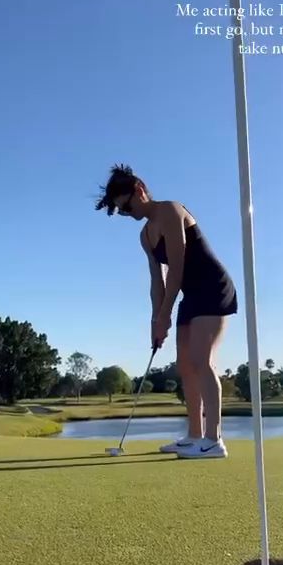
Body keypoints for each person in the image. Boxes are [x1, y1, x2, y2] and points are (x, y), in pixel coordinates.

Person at [96, 163, 237, 459]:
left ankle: (214, 441)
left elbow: (177, 267)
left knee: (202, 360)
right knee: (185, 366)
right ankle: (194, 436)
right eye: (122, 211)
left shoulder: (171, 210)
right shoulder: (145, 236)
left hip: (213, 287)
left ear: (140, 189)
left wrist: (165, 315)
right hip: (190, 294)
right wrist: (155, 319)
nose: (128, 213)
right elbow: (157, 281)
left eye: (128, 205)